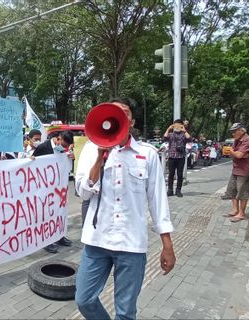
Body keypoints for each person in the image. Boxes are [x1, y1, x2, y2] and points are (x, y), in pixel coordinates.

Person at [74, 98, 175, 320]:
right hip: (96, 241)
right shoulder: (92, 149)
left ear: (132, 121)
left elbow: (158, 200)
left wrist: (167, 245)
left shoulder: (147, 154)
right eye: (114, 111)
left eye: (125, 112)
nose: (120, 114)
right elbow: (83, 193)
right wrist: (100, 159)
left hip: (132, 244)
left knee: (126, 311)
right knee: (84, 300)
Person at [32, 131, 75, 254]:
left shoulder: (62, 150)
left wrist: (70, 157)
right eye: (63, 144)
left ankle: (59, 236)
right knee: (46, 215)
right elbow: (32, 165)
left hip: (58, 189)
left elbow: (66, 165)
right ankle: (46, 241)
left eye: (67, 146)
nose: (64, 147)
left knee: (59, 213)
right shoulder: (43, 147)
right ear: (58, 138)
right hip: (44, 189)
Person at [223, 123, 249, 222]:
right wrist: (235, 153)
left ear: (242, 131)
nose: (233, 134)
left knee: (242, 192)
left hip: (245, 169)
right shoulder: (237, 140)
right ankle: (235, 210)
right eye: (232, 132)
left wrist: (234, 152)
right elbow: (235, 155)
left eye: (235, 131)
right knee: (232, 190)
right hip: (236, 168)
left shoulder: (248, 139)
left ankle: (241, 213)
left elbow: (237, 154)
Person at [163, 119, 191, 197]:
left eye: (179, 125)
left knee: (180, 175)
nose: (177, 127)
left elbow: (189, 139)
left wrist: (184, 130)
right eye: (176, 125)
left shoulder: (183, 134)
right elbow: (164, 138)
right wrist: (168, 129)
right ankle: (170, 190)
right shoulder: (171, 134)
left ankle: (178, 190)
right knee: (171, 174)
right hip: (171, 156)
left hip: (180, 157)